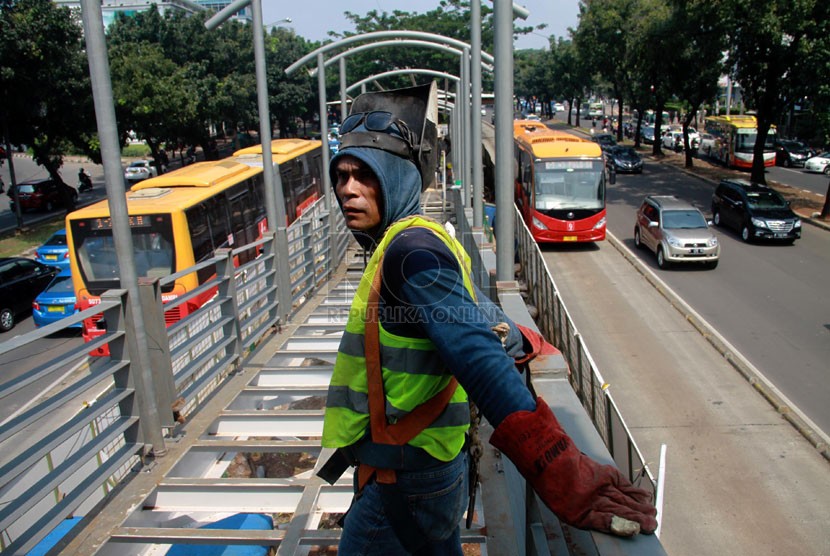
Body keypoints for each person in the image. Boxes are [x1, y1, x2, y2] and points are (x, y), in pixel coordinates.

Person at [319, 83, 657, 555]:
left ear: (399, 178)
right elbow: (478, 317)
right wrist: (524, 341)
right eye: (341, 176)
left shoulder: (412, 255)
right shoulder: (423, 240)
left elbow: (477, 358)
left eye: (365, 175)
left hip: (404, 477)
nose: (348, 190)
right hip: (427, 466)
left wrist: (563, 473)